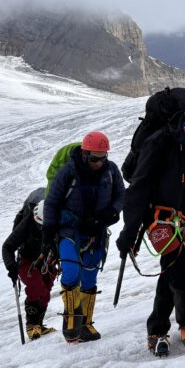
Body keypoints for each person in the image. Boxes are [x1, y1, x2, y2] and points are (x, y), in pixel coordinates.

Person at [116, 93, 185, 357]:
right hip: (157, 215)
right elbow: (138, 188)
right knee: (182, 268)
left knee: (171, 270)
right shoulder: (159, 143)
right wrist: (129, 233)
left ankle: (156, 330)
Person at [42, 131, 125, 343]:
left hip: (96, 231)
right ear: (85, 154)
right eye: (95, 158)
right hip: (70, 229)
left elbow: (120, 195)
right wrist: (48, 234)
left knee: (89, 277)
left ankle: (86, 324)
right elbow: (52, 202)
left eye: (103, 157)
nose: (100, 162)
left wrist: (112, 212)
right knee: (71, 272)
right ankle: (72, 321)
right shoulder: (68, 172)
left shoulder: (111, 171)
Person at [2, 187, 57, 340]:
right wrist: (11, 267)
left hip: (48, 260)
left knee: (45, 291)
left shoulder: (56, 219)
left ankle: (38, 325)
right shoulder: (27, 223)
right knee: (36, 287)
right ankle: (31, 325)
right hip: (27, 260)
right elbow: (8, 246)